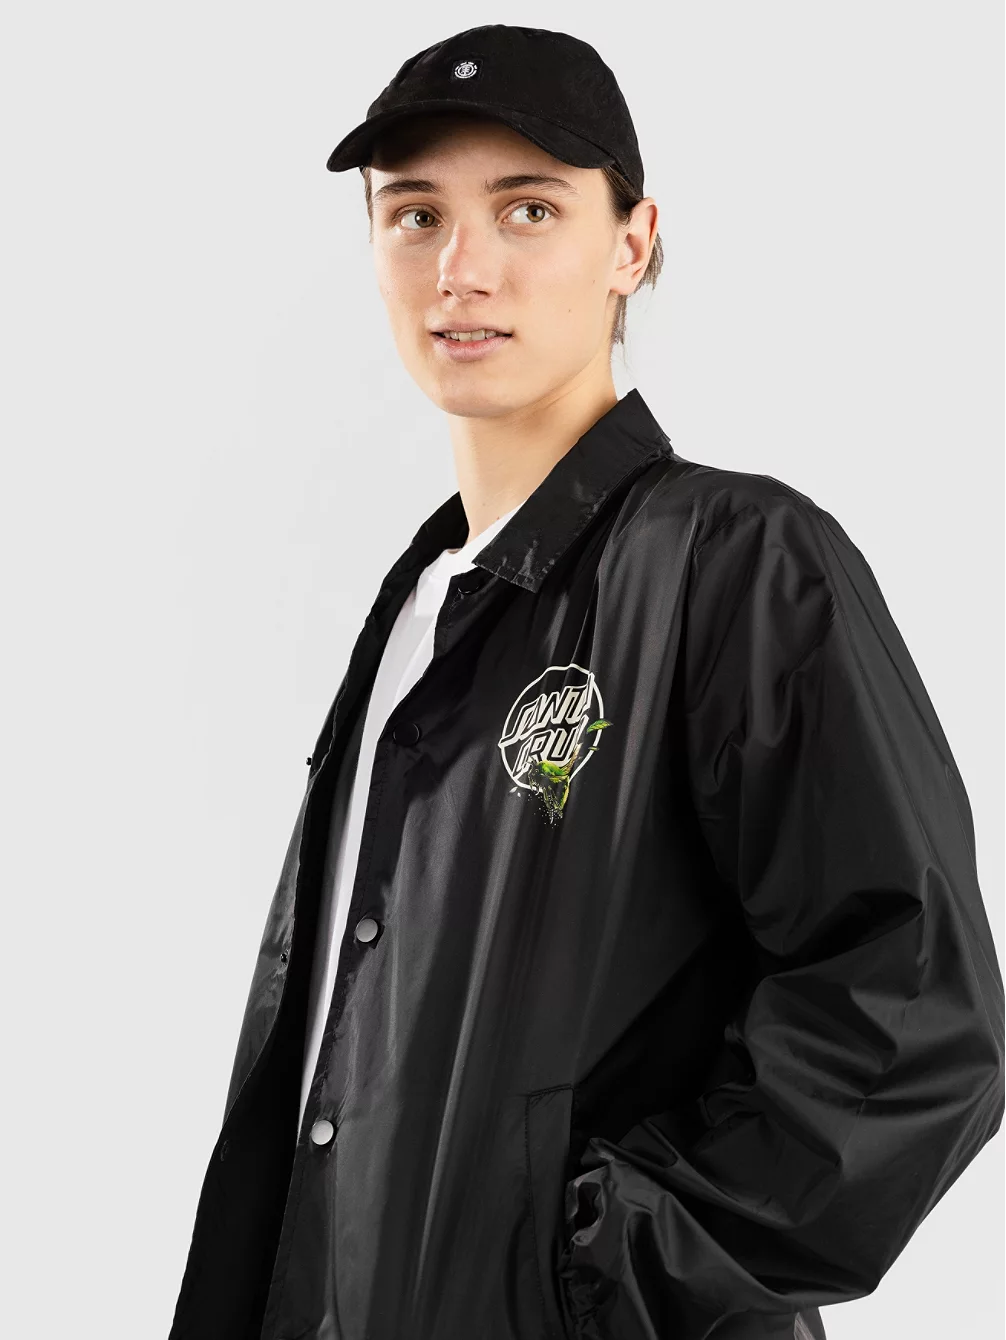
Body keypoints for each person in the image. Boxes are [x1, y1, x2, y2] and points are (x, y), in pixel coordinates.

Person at [167, 24, 1004, 1340]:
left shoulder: (734, 562)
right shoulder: (417, 608)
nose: (462, 268)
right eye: (415, 215)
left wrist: (609, 1276)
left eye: (529, 209)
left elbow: (914, 1011)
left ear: (631, 243)